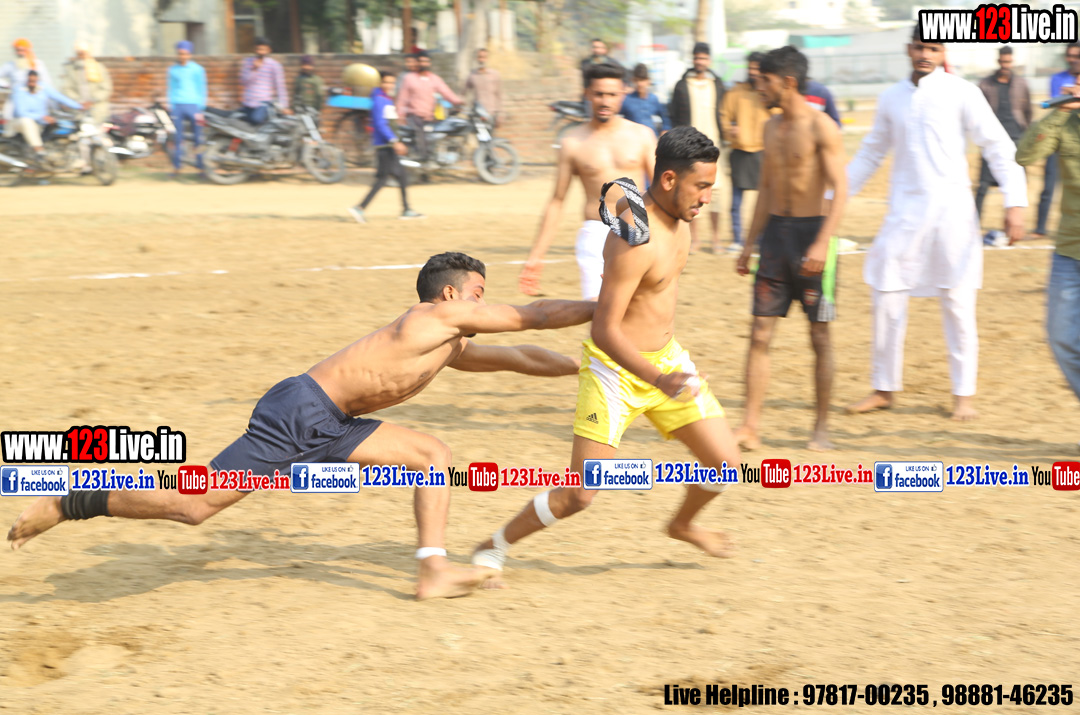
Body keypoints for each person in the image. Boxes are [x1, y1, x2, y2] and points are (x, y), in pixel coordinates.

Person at [8, 253, 596, 600]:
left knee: (431, 455)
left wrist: (588, 363)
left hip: (337, 422)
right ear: (451, 295)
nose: (485, 305)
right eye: (479, 295)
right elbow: (536, 317)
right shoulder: (433, 318)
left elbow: (522, 358)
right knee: (193, 507)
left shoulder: (450, 344)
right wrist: (611, 304)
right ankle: (71, 501)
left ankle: (432, 569)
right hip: (299, 411)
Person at [471, 127, 741, 582]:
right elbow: (605, 329)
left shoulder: (677, 216)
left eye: (711, 187)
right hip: (615, 373)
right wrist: (659, 380)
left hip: (667, 361)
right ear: (670, 180)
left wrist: (665, 372)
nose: (707, 198)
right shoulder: (635, 241)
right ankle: (494, 544)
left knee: (726, 466)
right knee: (580, 495)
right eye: (701, 186)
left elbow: (618, 191)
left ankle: (682, 525)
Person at [845, 25, 1026, 422]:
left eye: (933, 47)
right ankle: (883, 388)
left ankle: (964, 396)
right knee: (886, 294)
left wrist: (1015, 201)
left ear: (943, 52)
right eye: (920, 47)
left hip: (953, 216)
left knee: (958, 304)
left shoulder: (963, 92)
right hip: (904, 215)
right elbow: (871, 153)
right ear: (908, 49)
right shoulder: (891, 97)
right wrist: (833, 197)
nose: (926, 54)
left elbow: (997, 146)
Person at [733, 46, 847, 451]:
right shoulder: (770, 128)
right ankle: (750, 426)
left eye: (764, 81)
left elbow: (841, 190)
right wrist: (749, 244)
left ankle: (821, 429)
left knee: (819, 336)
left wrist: (822, 243)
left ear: (788, 82)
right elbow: (765, 189)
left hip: (813, 235)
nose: (758, 87)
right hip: (775, 240)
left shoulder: (821, 127)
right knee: (759, 333)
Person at [518, 63, 656, 300]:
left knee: (640, 309)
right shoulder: (572, 143)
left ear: (623, 94)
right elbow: (557, 201)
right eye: (599, 94)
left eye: (612, 94)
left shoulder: (642, 136)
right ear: (587, 94)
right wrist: (536, 256)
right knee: (598, 309)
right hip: (596, 234)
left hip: (638, 230)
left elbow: (661, 192)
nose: (605, 101)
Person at [1016, 83, 1080, 447]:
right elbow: (1026, 156)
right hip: (1070, 250)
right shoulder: (1065, 120)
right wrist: (1060, 112)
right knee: (1061, 339)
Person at [670, 42, 726, 253]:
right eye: (697, 58)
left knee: (716, 193)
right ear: (693, 60)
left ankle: (716, 239)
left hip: (716, 147)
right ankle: (695, 240)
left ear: (709, 60)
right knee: (693, 191)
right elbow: (674, 115)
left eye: (703, 58)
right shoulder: (682, 85)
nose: (700, 62)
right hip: (690, 148)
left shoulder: (718, 84)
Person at [348, 71, 422, 222]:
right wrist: (394, 141)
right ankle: (360, 208)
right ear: (379, 83)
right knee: (383, 180)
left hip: (388, 145)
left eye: (392, 82)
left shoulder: (385, 99)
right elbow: (381, 124)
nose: (389, 85)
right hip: (385, 146)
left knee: (401, 176)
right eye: (386, 82)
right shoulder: (380, 100)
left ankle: (406, 209)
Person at [721, 52, 772, 250]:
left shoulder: (768, 93)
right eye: (750, 68)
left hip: (763, 152)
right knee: (736, 202)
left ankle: (761, 239)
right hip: (740, 151)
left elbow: (778, 115)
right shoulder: (735, 92)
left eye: (756, 69)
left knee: (765, 200)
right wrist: (730, 131)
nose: (753, 72)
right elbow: (724, 116)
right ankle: (737, 240)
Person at [975, 46, 1031, 222]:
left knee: (1017, 184)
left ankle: (1013, 223)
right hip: (992, 139)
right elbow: (977, 112)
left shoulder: (1021, 83)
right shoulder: (985, 84)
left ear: (1011, 61)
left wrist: (1025, 133)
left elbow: (1028, 111)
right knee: (983, 185)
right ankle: (974, 222)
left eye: (1008, 61)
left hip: (1016, 139)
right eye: (1003, 61)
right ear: (998, 61)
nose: (1005, 65)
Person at [1037, 44, 1080, 238]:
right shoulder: (1057, 78)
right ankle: (1040, 228)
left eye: (1076, 56)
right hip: (1058, 141)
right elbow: (1056, 104)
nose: (1072, 59)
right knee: (1048, 186)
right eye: (1069, 55)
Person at [396, 50, 461, 163]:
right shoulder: (409, 78)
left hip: (430, 116)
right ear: (417, 62)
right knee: (420, 132)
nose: (424, 63)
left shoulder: (434, 79)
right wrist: (400, 114)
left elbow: (446, 92)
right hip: (414, 115)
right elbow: (402, 98)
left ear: (430, 63)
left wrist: (457, 102)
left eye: (426, 61)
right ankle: (423, 158)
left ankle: (437, 157)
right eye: (421, 61)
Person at [4, 70, 83, 158]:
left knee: (60, 125)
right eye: (30, 81)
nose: (32, 84)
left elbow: (60, 97)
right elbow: (21, 112)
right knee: (26, 121)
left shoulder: (43, 87)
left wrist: (79, 106)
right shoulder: (19, 90)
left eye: (34, 81)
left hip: (40, 124)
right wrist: (42, 117)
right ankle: (39, 150)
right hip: (18, 123)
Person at [167, 40, 207, 177]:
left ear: (190, 54)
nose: (182, 56)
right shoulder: (173, 70)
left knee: (198, 137)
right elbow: (171, 88)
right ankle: (177, 167)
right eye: (180, 53)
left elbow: (202, 88)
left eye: (185, 54)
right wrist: (172, 106)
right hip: (178, 106)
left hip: (194, 106)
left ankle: (201, 168)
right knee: (177, 138)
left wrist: (200, 108)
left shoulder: (198, 69)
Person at [239, 37, 288, 126]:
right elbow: (243, 82)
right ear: (254, 49)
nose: (260, 52)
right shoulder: (248, 62)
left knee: (255, 119)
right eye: (258, 49)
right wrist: (254, 69)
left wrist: (284, 106)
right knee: (241, 121)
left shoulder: (274, 65)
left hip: (263, 102)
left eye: (263, 49)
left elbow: (280, 86)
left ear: (269, 50)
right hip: (249, 102)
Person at [60, 43, 112, 125]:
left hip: (97, 109)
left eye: (84, 53)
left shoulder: (98, 68)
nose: (82, 56)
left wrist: (92, 101)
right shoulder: (71, 69)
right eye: (79, 53)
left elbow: (106, 89)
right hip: (78, 108)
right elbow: (66, 88)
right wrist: (78, 101)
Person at [621, 63, 670, 137]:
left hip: (651, 139)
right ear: (633, 81)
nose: (639, 84)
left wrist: (664, 130)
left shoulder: (654, 99)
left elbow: (665, 117)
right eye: (637, 80)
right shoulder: (627, 100)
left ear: (648, 81)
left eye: (642, 80)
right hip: (632, 138)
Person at [465, 48, 502, 125]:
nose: (481, 60)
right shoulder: (472, 75)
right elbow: (464, 92)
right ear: (476, 58)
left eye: (484, 57)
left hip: (491, 113)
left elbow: (499, 94)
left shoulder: (495, 74)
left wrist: (500, 113)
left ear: (488, 59)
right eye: (479, 57)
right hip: (477, 113)